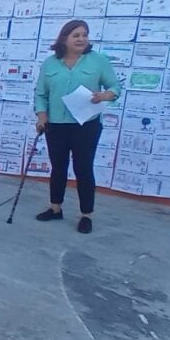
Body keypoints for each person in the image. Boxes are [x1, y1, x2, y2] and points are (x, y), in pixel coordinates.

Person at [34, 19, 121, 234]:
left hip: (86, 125)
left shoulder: (98, 61)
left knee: (83, 169)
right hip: (56, 125)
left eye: (85, 34)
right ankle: (55, 209)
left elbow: (115, 87)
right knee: (58, 168)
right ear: (64, 38)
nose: (82, 39)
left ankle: (86, 215)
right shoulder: (50, 63)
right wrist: (42, 116)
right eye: (76, 35)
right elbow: (40, 94)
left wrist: (104, 95)